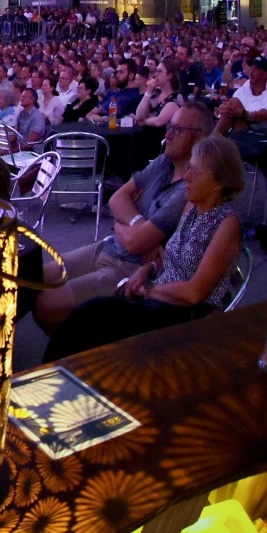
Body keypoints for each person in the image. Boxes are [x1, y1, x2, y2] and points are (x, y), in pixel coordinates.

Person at [44, 136, 246, 361]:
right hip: (159, 299)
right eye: (188, 168)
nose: (186, 177)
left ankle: (67, 372)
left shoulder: (227, 223)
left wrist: (148, 290)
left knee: (92, 319)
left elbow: (194, 293)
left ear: (219, 182)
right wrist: (149, 268)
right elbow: (174, 258)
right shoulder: (192, 206)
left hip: (181, 316)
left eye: (195, 172)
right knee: (85, 318)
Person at [34, 101, 215, 334]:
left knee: (46, 305)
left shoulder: (187, 191)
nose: (168, 134)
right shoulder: (164, 162)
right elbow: (117, 198)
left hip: (129, 268)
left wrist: (123, 220)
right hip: (108, 246)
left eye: (177, 130)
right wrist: (135, 223)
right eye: (169, 126)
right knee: (35, 278)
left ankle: (78, 350)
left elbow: (135, 242)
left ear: (199, 137)